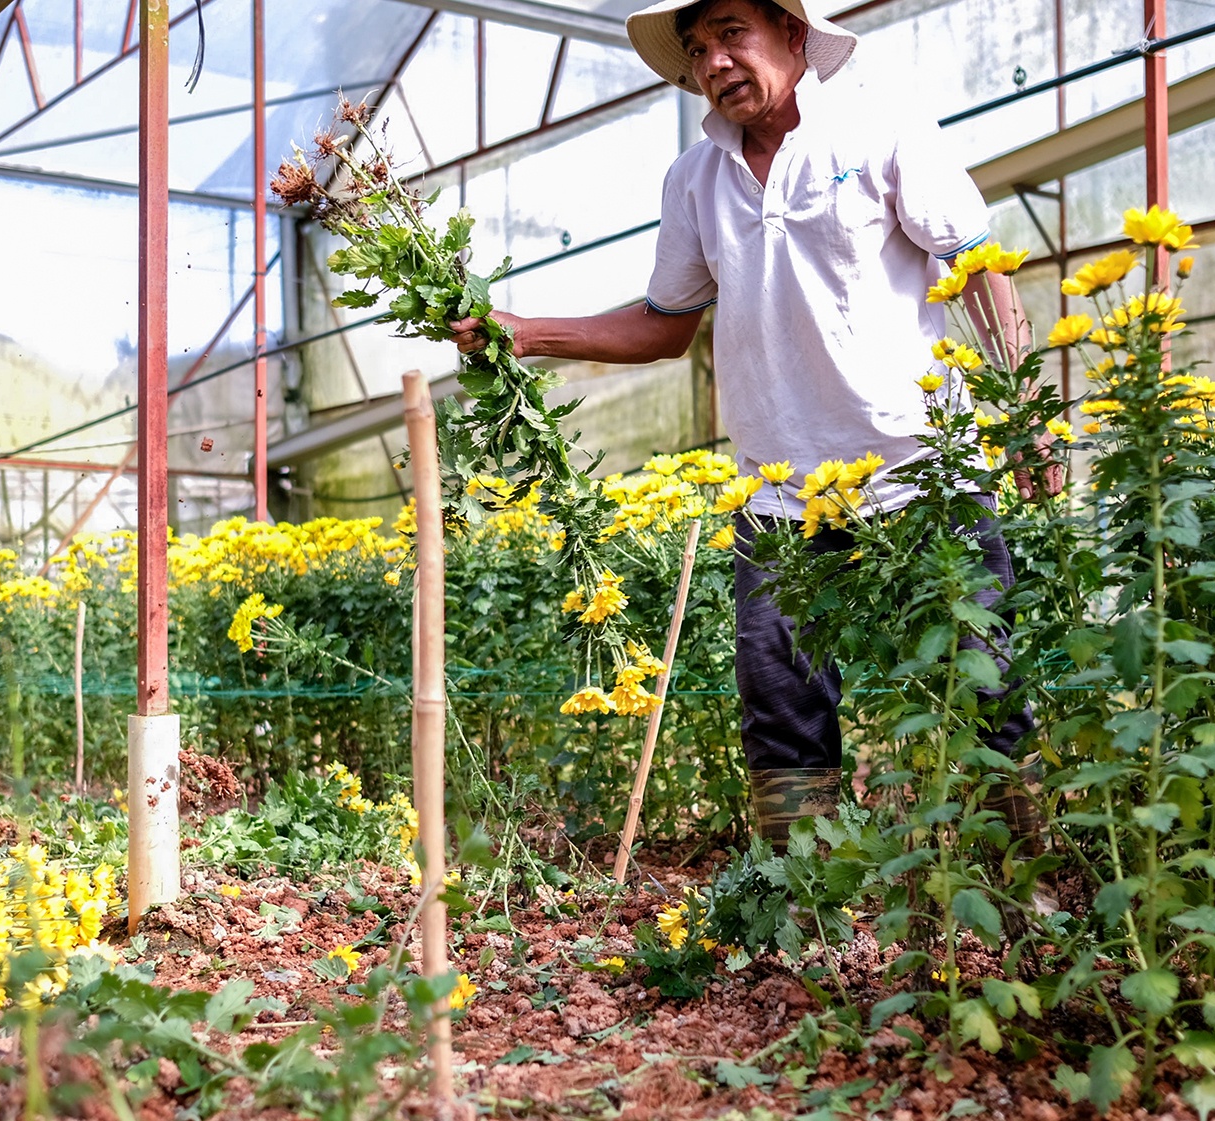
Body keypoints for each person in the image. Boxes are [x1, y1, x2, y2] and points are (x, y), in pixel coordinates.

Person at [449, 0, 1062, 847]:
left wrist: (1026, 410)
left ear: (794, 36)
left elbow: (981, 265)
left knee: (985, 685)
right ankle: (804, 903)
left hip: (924, 474)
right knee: (782, 715)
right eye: (697, 49)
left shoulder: (880, 132)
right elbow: (667, 325)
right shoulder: (694, 179)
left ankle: (1021, 884)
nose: (714, 62)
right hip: (780, 494)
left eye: (732, 34)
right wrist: (528, 332)